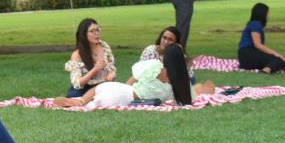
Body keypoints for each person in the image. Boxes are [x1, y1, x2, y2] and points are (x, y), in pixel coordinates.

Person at [56, 44, 213, 108]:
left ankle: (81, 100)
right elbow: (191, 94)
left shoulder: (155, 67)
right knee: (99, 99)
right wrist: (203, 88)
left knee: (100, 88)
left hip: (124, 92)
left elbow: (136, 72)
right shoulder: (179, 84)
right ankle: (83, 103)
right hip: (128, 100)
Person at [65, 18, 116, 98]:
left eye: (98, 30)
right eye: (92, 31)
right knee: (74, 96)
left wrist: (112, 74)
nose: (97, 33)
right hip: (84, 88)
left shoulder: (104, 46)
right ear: (84, 34)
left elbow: (111, 68)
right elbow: (78, 83)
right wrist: (94, 70)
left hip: (103, 85)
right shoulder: (77, 54)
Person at [237, 3, 285, 73]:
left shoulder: (255, 24)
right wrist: (275, 53)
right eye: (268, 13)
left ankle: (268, 68)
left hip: (246, 58)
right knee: (278, 60)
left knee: (283, 63)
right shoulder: (255, 24)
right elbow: (257, 45)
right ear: (263, 14)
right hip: (247, 54)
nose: (269, 15)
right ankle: (267, 70)